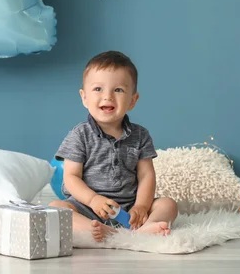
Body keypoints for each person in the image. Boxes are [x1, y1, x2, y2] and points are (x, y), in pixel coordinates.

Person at [50, 51, 178, 242]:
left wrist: (142, 207)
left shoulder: (140, 135)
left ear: (133, 100)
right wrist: (93, 200)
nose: (108, 96)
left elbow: (146, 175)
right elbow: (71, 177)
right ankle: (104, 232)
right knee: (56, 208)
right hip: (89, 208)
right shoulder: (80, 135)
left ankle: (144, 227)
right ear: (84, 97)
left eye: (118, 90)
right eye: (98, 89)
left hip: (129, 208)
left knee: (168, 204)